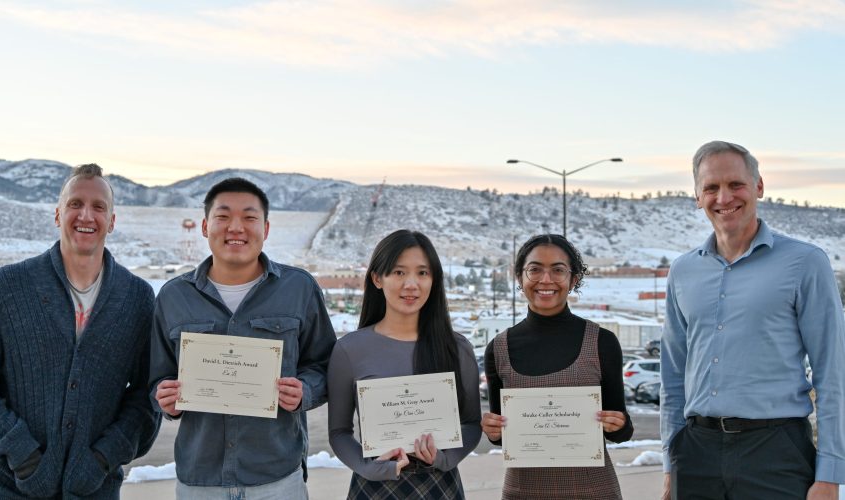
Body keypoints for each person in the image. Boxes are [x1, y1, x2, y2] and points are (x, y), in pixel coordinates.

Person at [660, 140, 845, 499]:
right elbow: (673, 377)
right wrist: (672, 464)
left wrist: (830, 474)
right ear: (697, 196)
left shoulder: (805, 263)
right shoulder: (682, 272)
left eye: (736, 184)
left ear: (758, 186)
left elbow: (832, 374)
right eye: (711, 187)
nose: (724, 197)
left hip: (776, 452)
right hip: (695, 454)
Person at [0, 164, 160, 498]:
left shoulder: (137, 297)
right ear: (58, 214)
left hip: (97, 490)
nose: (87, 214)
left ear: (112, 221)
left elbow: (146, 396)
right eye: (75, 204)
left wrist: (101, 459)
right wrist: (22, 455)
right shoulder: (9, 287)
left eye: (99, 206)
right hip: (9, 489)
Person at [149, 177, 336, 499]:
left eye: (249, 218)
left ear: (266, 227)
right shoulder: (172, 296)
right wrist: (165, 398)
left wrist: (304, 391)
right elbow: (154, 378)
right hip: (199, 480)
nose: (236, 227)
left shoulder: (299, 288)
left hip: (277, 478)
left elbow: (325, 365)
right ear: (206, 226)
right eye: (223, 217)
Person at [328, 229, 481, 499]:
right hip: (374, 489)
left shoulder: (457, 348)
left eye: (423, 273)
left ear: (434, 280)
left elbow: (471, 423)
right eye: (399, 273)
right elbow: (339, 432)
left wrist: (444, 459)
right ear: (377, 278)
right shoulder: (349, 349)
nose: (411, 284)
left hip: (439, 487)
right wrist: (370, 468)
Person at [481, 234, 633, 500]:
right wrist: (494, 430)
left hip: (593, 491)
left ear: (573, 279)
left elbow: (623, 431)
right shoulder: (499, 348)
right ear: (519, 277)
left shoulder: (602, 342)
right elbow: (503, 437)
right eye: (535, 269)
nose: (546, 280)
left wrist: (617, 424)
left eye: (558, 270)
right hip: (522, 491)